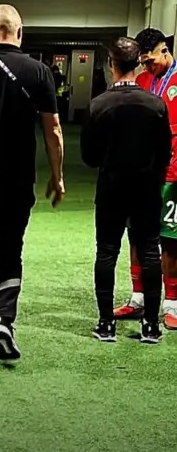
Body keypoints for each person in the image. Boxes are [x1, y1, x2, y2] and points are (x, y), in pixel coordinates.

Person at [0, 4, 65, 364]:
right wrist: (57, 176)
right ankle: (5, 321)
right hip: (17, 181)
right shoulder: (39, 71)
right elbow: (53, 131)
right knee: (10, 252)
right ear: (20, 33)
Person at [81, 38, 168, 343]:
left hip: (111, 187)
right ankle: (151, 326)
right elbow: (165, 153)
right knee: (150, 251)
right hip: (147, 188)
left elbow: (89, 157)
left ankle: (106, 324)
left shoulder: (98, 105)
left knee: (106, 251)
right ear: (137, 64)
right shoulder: (156, 104)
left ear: (112, 65)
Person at [116, 27, 177, 330]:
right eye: (144, 62)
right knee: (136, 233)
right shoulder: (140, 81)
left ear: (165, 51)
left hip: (172, 174)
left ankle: (172, 302)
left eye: (151, 61)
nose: (148, 67)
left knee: (170, 238)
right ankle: (138, 297)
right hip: (140, 173)